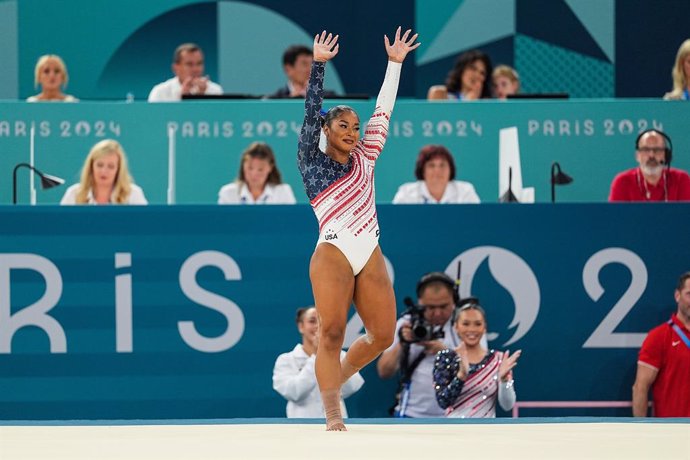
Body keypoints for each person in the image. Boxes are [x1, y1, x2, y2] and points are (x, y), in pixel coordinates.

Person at [297, 28, 419, 431]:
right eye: (344, 126)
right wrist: (318, 65)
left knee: (383, 334)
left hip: (369, 250)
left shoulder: (366, 156)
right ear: (326, 131)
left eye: (355, 126)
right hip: (332, 250)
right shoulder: (312, 163)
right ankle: (332, 413)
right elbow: (311, 109)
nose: (353, 132)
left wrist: (395, 64)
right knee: (331, 332)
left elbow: (385, 109)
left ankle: (336, 377)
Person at [377, 272, 462, 418]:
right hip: (410, 415)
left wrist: (446, 353)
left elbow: (481, 370)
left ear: (454, 301)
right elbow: (384, 371)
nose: (437, 313)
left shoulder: (467, 324)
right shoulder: (407, 324)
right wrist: (403, 343)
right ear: (420, 302)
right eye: (430, 307)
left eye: (443, 307)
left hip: (455, 416)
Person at [272, 306, 364, 418]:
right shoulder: (286, 360)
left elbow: (353, 386)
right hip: (301, 427)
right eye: (312, 321)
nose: (318, 326)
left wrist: (330, 357)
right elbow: (294, 392)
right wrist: (317, 356)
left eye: (322, 321)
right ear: (301, 326)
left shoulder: (340, 356)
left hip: (337, 425)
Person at [433, 301, 521, 418]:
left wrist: (504, 380)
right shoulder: (446, 357)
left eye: (478, 324)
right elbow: (443, 402)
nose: (472, 329)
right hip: (455, 431)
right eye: (466, 324)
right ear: (456, 327)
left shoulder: (498, 359)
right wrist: (461, 376)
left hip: (486, 432)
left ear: (484, 327)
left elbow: (507, 406)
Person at [632, 272, 690, 417]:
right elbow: (640, 387)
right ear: (678, 295)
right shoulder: (659, 337)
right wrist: (640, 429)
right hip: (671, 432)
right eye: (689, 294)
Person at [609, 129, 690, 201]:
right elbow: (615, 217)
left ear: (665, 155)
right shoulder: (622, 182)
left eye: (657, 150)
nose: (651, 155)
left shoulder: (681, 180)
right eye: (646, 150)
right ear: (637, 156)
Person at [60, 139, 148, 205]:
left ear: (118, 170)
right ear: (91, 166)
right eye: (100, 165)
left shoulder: (133, 194)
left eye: (111, 166)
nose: (104, 171)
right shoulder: (74, 194)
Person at [392, 144, 480, 204]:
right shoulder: (406, 193)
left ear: (451, 169)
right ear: (422, 170)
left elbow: (477, 221)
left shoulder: (465, 191)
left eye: (442, 165)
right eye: (431, 165)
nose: (437, 170)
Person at [218, 142, 296, 204]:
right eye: (250, 168)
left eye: (260, 169)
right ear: (243, 166)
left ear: (270, 168)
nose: (254, 174)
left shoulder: (283, 192)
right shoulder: (228, 193)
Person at [148, 43, 223, 102]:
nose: (196, 69)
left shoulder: (215, 90)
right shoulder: (160, 92)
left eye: (199, 63)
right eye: (189, 64)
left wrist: (201, 98)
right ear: (175, 68)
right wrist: (183, 99)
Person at [427, 49, 493, 100]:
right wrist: (468, 102)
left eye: (482, 73)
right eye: (473, 68)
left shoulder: (487, 104)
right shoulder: (440, 94)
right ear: (462, 69)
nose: (477, 75)